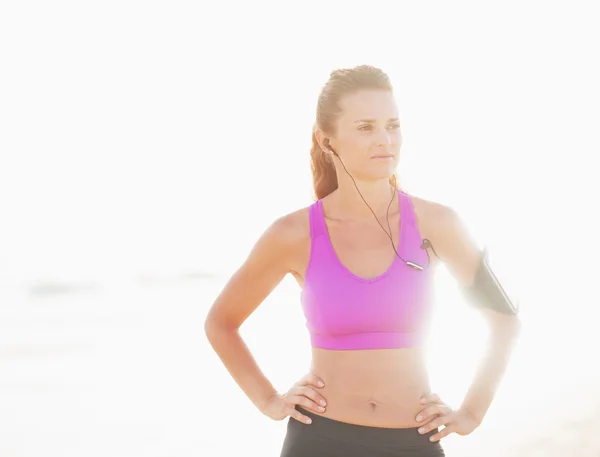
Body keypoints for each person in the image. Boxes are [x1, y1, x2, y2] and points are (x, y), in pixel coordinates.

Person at [204, 65, 521, 457]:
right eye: (366, 127)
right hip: (318, 440)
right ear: (327, 140)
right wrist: (268, 400)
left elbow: (504, 319)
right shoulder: (292, 233)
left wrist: (472, 412)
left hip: (413, 441)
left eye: (393, 125)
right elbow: (221, 323)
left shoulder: (438, 223)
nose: (385, 140)